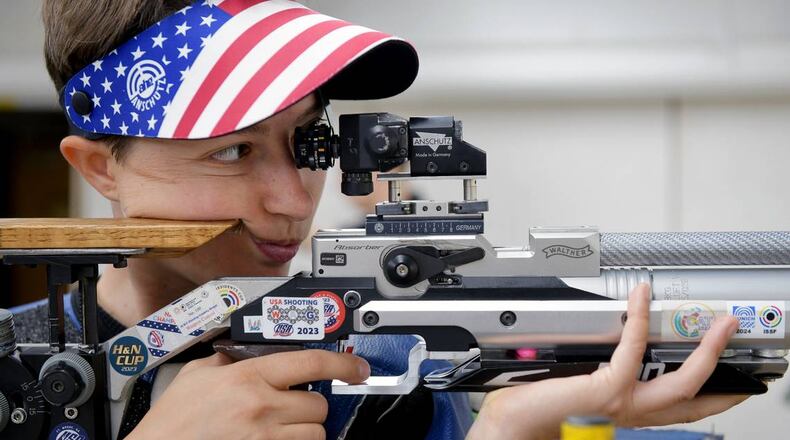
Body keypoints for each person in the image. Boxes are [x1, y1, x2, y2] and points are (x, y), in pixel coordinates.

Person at [10, 0, 746, 438]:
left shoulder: (389, 370)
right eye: (233, 152)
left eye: (309, 144)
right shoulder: (13, 373)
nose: (295, 202)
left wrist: (504, 429)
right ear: (98, 167)